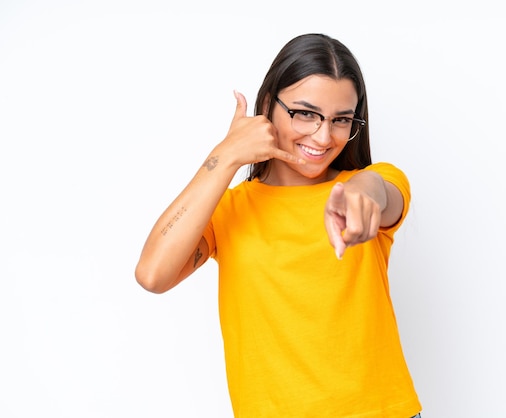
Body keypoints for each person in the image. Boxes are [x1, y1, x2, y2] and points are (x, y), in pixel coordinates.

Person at [135, 33, 422, 418]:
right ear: (268, 105)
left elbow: (381, 193)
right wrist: (226, 155)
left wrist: (363, 188)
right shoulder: (229, 210)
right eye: (305, 113)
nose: (323, 136)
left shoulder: (373, 183)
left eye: (340, 120)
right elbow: (153, 274)